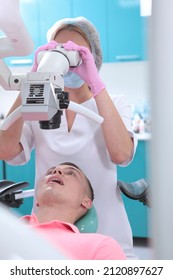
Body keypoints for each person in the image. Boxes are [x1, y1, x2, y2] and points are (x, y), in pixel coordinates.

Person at [0, 17, 137, 259]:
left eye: (77, 52)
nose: (68, 60)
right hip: (49, 237)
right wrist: (34, 80)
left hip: (109, 234)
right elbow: (6, 150)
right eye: (59, 50)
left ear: (93, 57)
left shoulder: (114, 103)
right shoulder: (39, 102)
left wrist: (95, 82)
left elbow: (121, 154)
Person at [21, 162, 126, 260]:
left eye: (71, 173)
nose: (56, 171)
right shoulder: (6, 229)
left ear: (86, 202)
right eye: (50, 172)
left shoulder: (100, 246)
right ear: (37, 200)